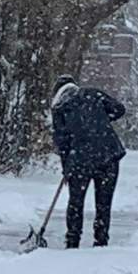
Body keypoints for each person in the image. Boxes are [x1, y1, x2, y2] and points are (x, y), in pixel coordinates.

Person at [50, 74, 126, 249]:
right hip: (109, 155)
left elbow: (62, 143)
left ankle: (72, 240)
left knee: (76, 201)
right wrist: (102, 120)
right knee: (104, 202)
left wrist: (66, 168)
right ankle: (101, 240)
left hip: (80, 160)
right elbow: (119, 109)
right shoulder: (93, 94)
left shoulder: (60, 108)